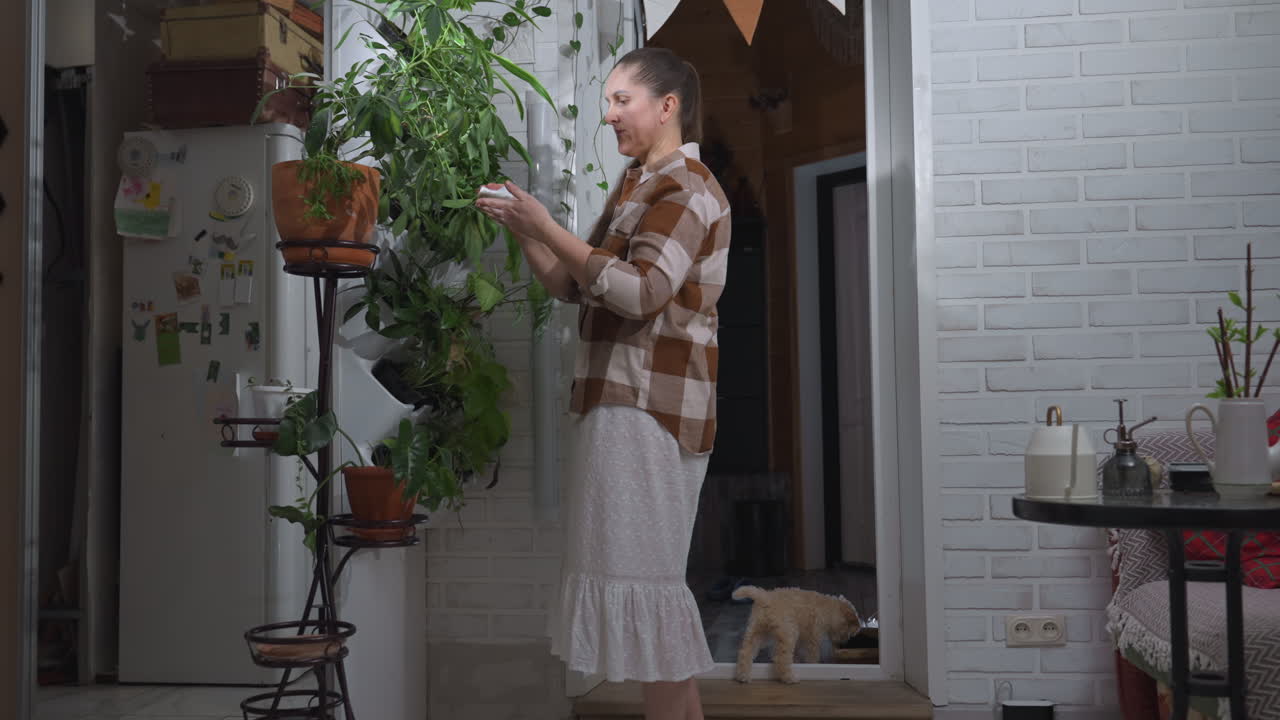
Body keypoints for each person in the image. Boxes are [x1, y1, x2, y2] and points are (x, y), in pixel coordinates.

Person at [475, 47, 730, 720]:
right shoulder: (635, 186)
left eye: (623, 100)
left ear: (667, 106)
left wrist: (549, 226)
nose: (609, 113)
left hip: (649, 408)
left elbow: (642, 293)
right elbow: (573, 284)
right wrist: (523, 232)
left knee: (650, 597)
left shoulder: (687, 189)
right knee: (651, 597)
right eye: (608, 99)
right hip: (619, 402)